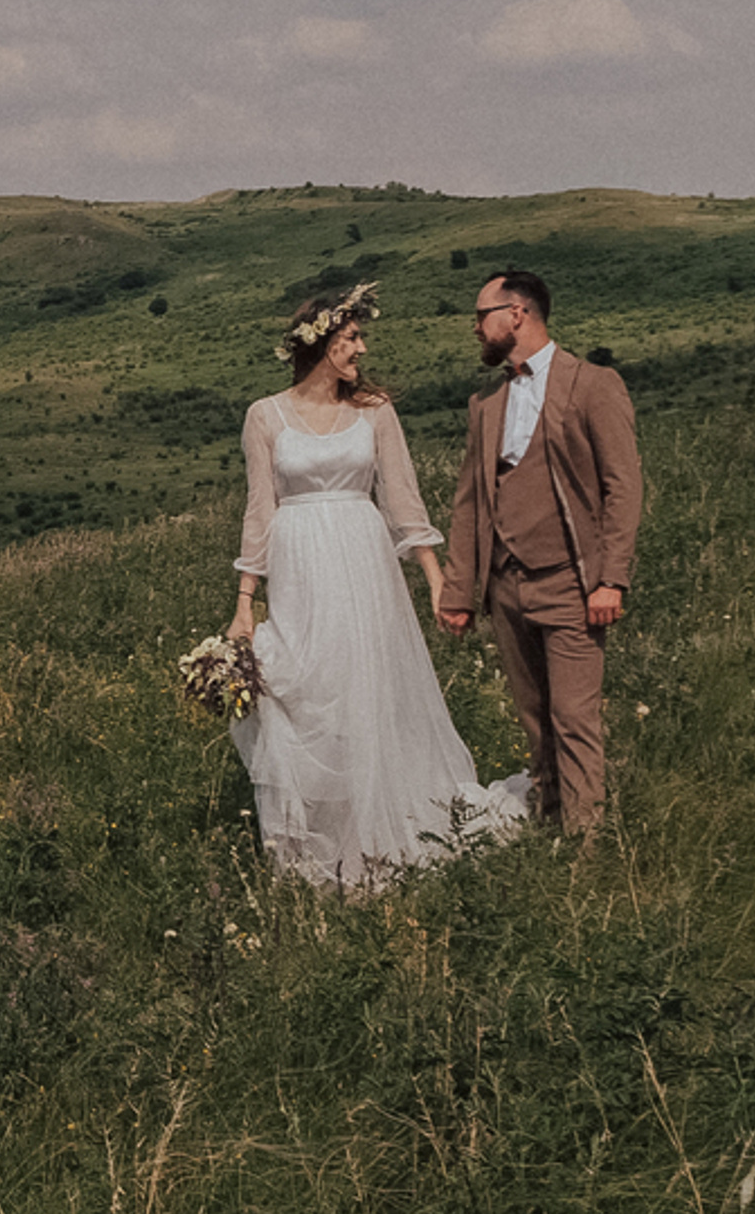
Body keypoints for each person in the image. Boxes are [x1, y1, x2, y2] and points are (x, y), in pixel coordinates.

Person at [227, 279, 531, 890]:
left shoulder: (375, 412)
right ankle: (323, 838)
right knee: (307, 685)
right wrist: (243, 606)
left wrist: (437, 580)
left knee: (364, 685)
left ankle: (380, 836)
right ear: (318, 345)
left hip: (364, 563)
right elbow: (259, 512)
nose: (361, 349)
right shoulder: (265, 416)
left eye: (360, 337)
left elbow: (403, 501)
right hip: (300, 567)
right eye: (350, 338)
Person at [438, 270, 641, 833]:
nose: (475, 329)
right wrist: (459, 592)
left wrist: (612, 579)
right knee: (535, 721)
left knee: (574, 719)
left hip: (572, 583)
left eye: (482, 316)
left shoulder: (594, 384)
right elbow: (470, 503)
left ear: (517, 313)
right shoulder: (486, 402)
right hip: (506, 587)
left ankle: (587, 854)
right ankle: (551, 832)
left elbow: (622, 487)